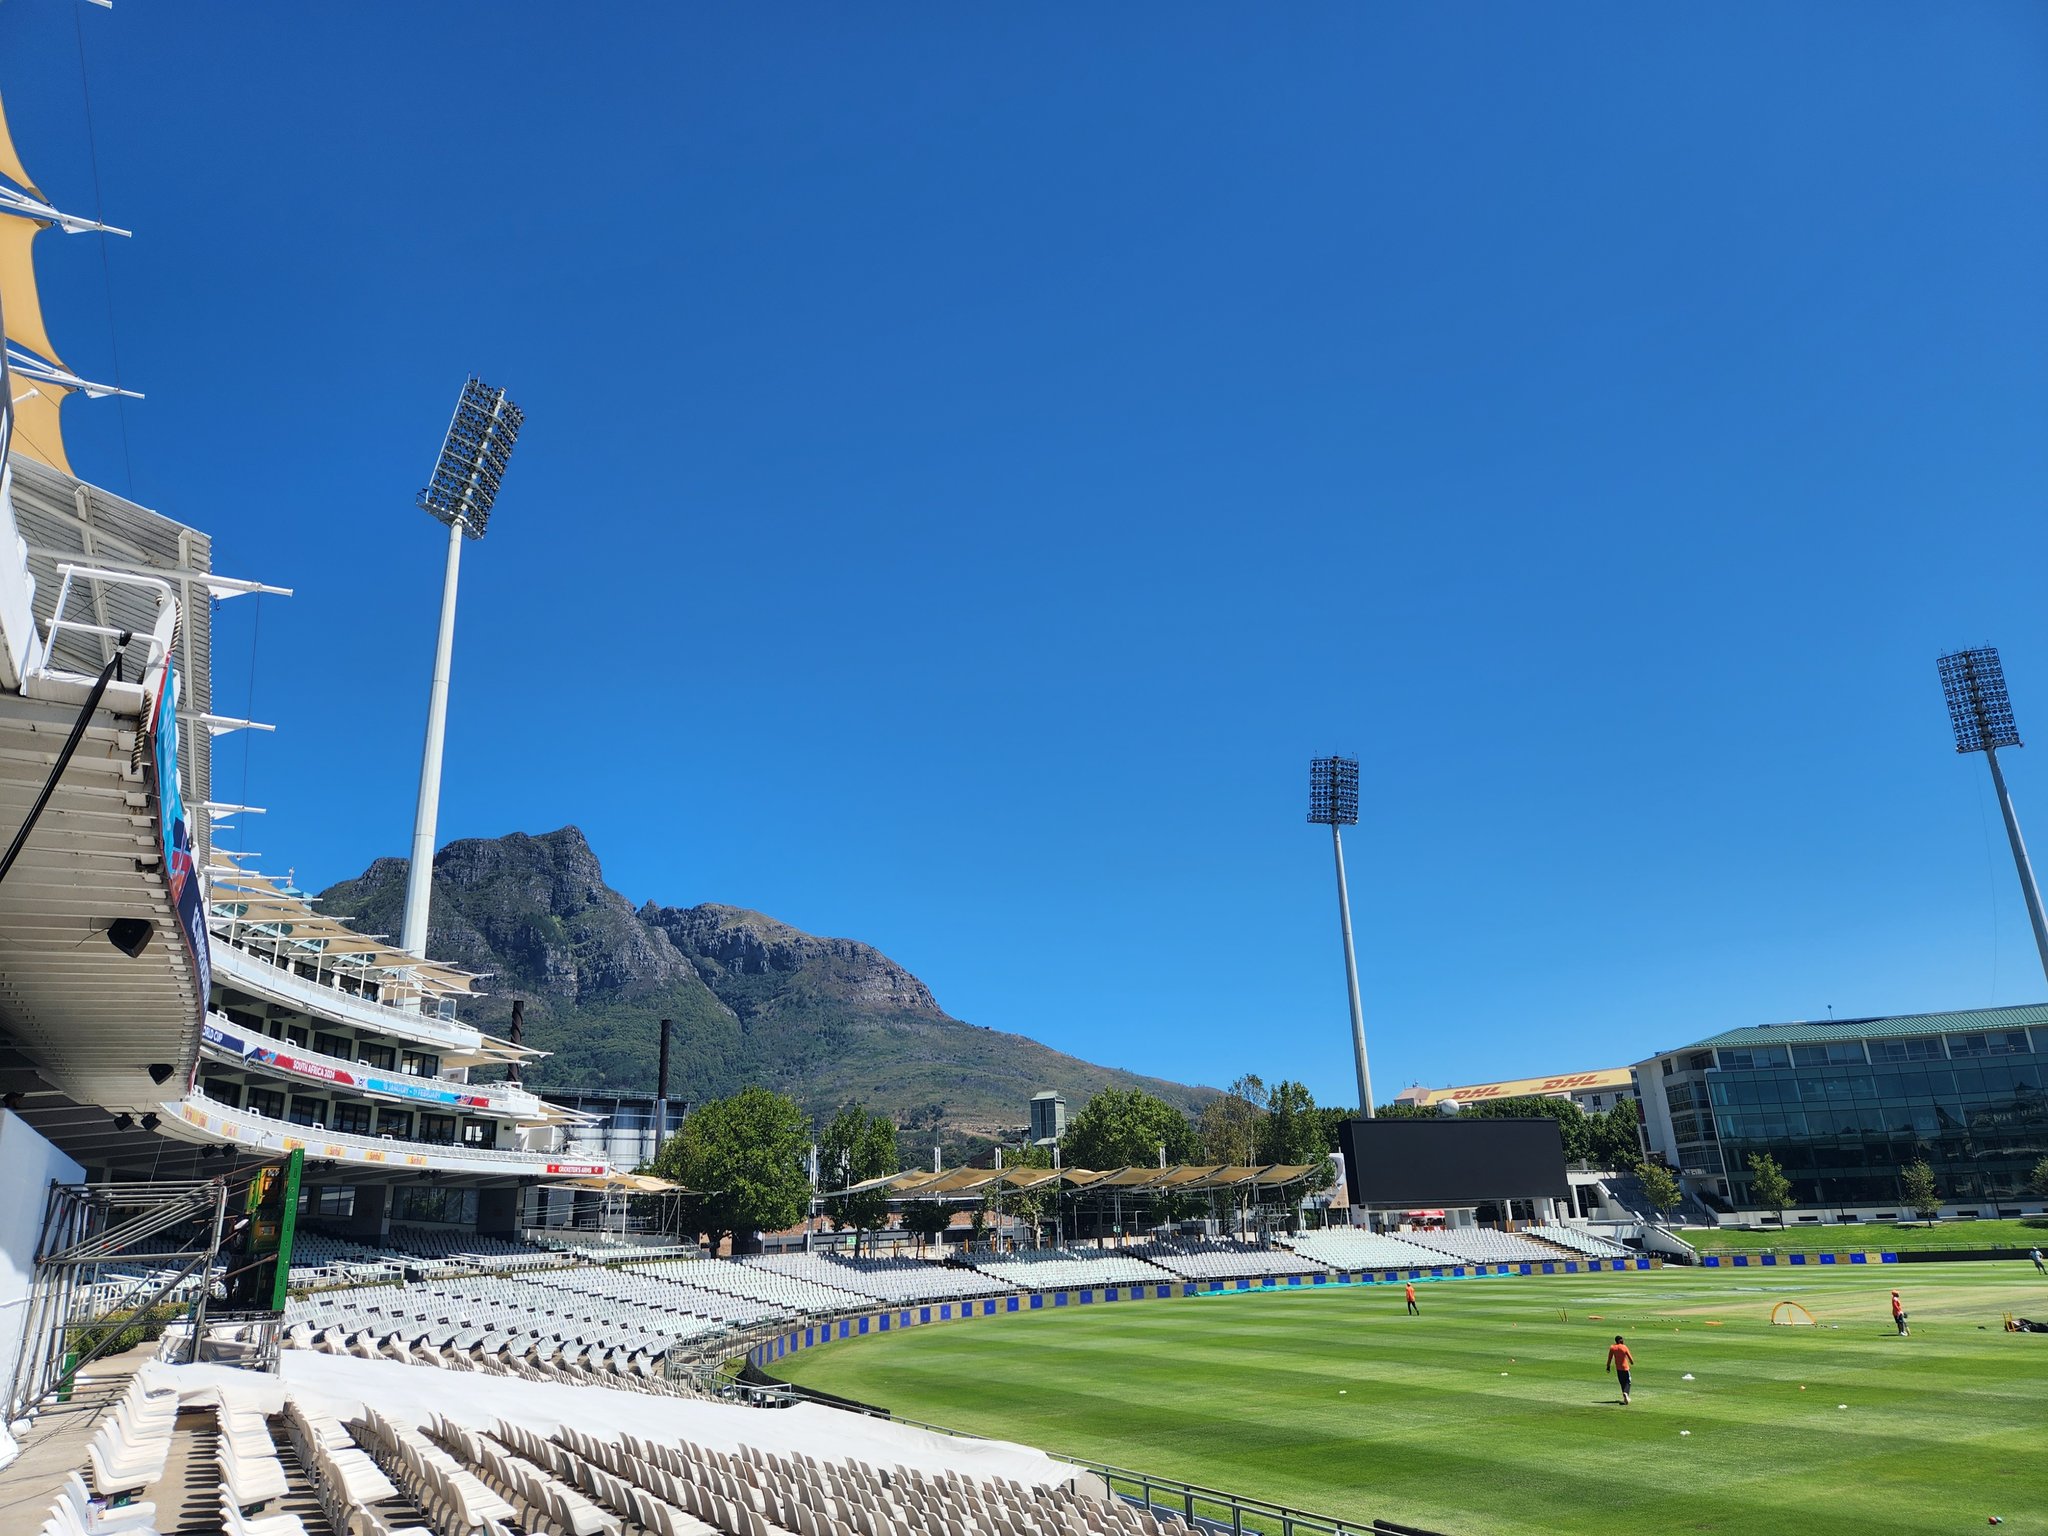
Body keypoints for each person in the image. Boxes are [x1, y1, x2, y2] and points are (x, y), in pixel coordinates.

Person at [1605, 1335, 1633, 1405]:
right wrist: (1632, 1362)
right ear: (1620, 1340)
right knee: (1628, 1382)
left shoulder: (1612, 1348)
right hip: (1625, 1368)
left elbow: (1610, 1358)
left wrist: (1608, 1366)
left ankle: (1625, 1398)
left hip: (1618, 1369)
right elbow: (1630, 1358)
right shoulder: (1624, 1347)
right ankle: (1626, 1394)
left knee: (1622, 1383)